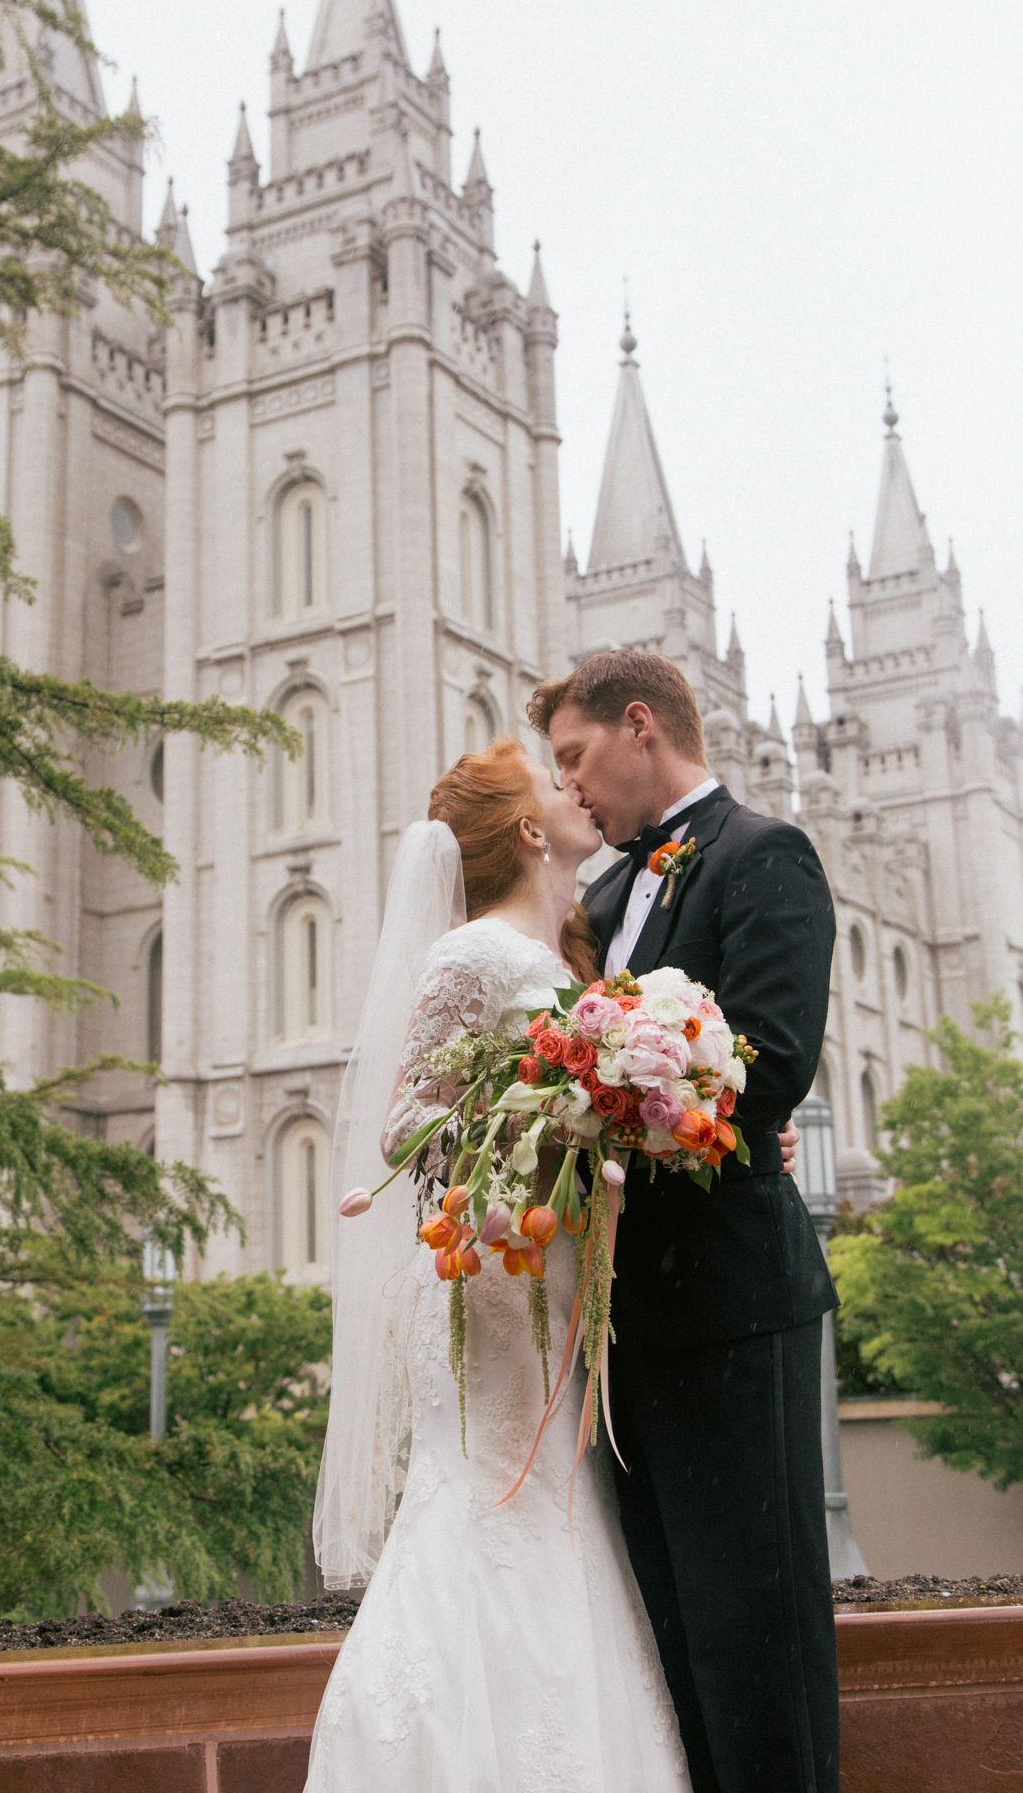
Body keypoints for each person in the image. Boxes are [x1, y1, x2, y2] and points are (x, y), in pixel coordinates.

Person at [307, 736, 692, 1791]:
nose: (575, 788)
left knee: (561, 1509)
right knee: (489, 1495)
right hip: (492, 1281)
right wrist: (555, 1119)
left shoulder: (570, 965)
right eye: (554, 781)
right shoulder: (466, 953)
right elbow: (403, 1124)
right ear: (529, 829)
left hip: (556, 1270)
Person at [530, 649, 839, 1793]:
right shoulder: (600, 897)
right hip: (619, 1331)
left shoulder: (766, 856)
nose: (568, 790)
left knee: (759, 1642)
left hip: (730, 1310)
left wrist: (608, 1095)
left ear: (641, 725)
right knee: (668, 1646)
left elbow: (770, 1058)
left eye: (574, 757)